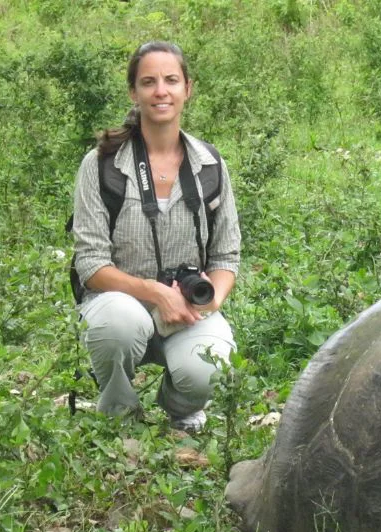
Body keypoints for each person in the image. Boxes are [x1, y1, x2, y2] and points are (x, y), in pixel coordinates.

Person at [71, 41, 241, 432]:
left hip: (187, 309)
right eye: (148, 82)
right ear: (134, 92)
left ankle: (181, 411)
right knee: (118, 321)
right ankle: (119, 414)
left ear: (187, 89)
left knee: (209, 368)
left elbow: (226, 257)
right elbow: (91, 264)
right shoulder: (102, 165)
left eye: (171, 80)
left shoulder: (210, 165)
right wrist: (155, 292)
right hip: (118, 302)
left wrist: (207, 301)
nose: (160, 91)